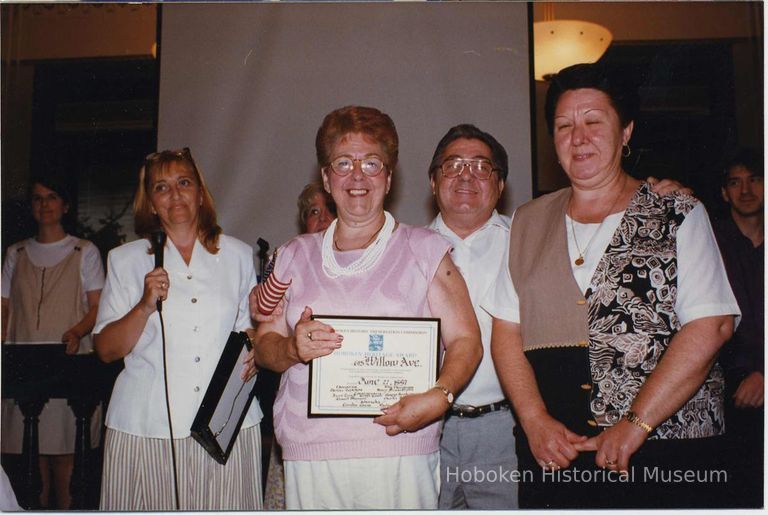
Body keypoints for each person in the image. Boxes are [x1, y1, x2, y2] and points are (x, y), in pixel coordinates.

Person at [484, 63, 740, 509]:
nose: (578, 137)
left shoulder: (676, 209)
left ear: (626, 133)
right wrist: (533, 420)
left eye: (593, 122)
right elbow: (507, 331)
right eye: (564, 126)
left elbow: (711, 325)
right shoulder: (527, 220)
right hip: (555, 454)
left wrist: (635, 425)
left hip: (667, 453)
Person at [247, 105, 482, 510]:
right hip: (312, 452)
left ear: (388, 177)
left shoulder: (425, 250)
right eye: (343, 163)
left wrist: (440, 396)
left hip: (400, 448)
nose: (358, 176)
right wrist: (291, 349)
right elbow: (265, 344)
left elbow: (466, 340)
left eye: (372, 163)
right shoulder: (291, 255)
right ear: (326, 177)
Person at [93, 148, 263, 510]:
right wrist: (143, 306)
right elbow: (106, 350)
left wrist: (256, 347)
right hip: (146, 428)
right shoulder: (125, 260)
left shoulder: (236, 255)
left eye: (184, 182)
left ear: (200, 194)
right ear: (151, 204)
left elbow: (251, 333)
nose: (175, 194)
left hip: (224, 427)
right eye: (162, 187)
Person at [1, 175, 104, 509]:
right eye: (37, 198)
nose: (44, 205)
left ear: (65, 205)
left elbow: (97, 306)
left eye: (51, 197)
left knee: (65, 459)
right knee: (31, 465)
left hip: (67, 365)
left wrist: (77, 331)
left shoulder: (83, 251)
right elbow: (3, 307)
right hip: (24, 368)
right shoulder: (15, 253)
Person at [262, 181, 336, 510]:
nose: (321, 219)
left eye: (328, 209)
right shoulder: (285, 259)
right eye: (312, 212)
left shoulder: (378, 263)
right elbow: (262, 325)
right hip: (299, 416)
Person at [712, 148, 763, 508]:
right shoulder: (710, 243)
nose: (746, 190)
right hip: (730, 393)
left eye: (756, 179)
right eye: (735, 182)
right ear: (724, 192)